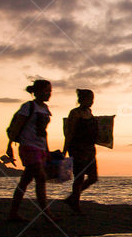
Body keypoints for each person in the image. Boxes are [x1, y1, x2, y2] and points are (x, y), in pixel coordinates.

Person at [7, 79, 58, 222]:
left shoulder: (46, 109)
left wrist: (47, 150)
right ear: (36, 92)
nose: (49, 94)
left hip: (40, 148)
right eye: (46, 90)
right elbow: (17, 126)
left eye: (50, 91)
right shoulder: (28, 107)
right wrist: (9, 145)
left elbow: (44, 132)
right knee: (41, 178)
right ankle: (46, 214)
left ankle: (13, 213)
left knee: (25, 181)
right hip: (28, 146)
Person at [63, 89, 99, 214]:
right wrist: (64, 150)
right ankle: (75, 204)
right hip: (77, 148)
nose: (92, 101)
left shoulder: (90, 112)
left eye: (93, 99)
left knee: (93, 177)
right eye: (90, 99)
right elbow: (69, 132)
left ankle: (72, 198)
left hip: (90, 149)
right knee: (79, 177)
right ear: (82, 99)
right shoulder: (75, 113)